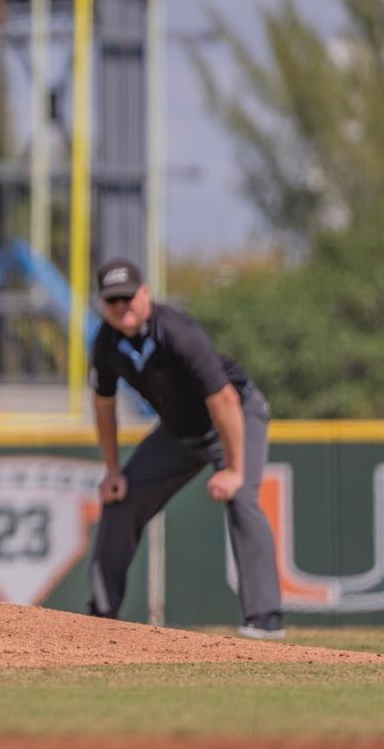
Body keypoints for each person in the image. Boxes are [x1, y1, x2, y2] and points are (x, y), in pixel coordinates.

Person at [85, 258, 284, 639]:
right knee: (120, 496)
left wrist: (235, 469)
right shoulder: (106, 342)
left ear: (145, 294)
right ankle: (99, 614)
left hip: (235, 415)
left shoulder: (174, 330)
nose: (122, 306)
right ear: (102, 304)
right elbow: (103, 405)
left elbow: (223, 398)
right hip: (178, 432)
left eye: (128, 297)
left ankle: (266, 619)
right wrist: (112, 470)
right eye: (113, 301)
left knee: (242, 495)